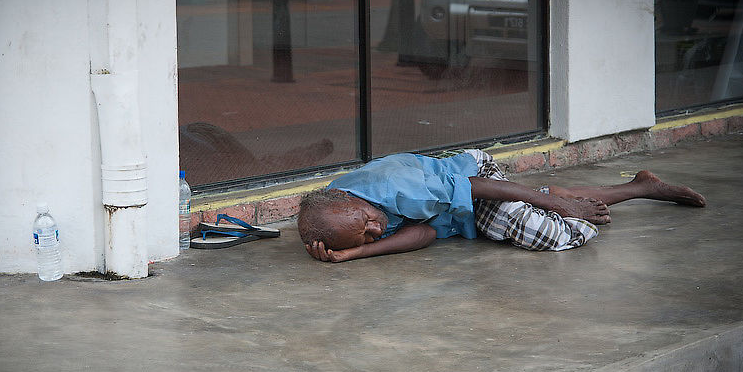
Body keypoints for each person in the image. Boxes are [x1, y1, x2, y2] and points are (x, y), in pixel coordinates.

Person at [297, 149, 706, 262]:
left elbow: (478, 186)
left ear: (353, 202)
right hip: (454, 210)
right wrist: (358, 251)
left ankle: (574, 206)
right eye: (367, 233)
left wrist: (565, 208)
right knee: (540, 205)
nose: (374, 229)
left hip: (477, 181)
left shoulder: (398, 192)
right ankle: (642, 186)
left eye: (370, 224)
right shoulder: (343, 209)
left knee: (543, 231)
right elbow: (422, 234)